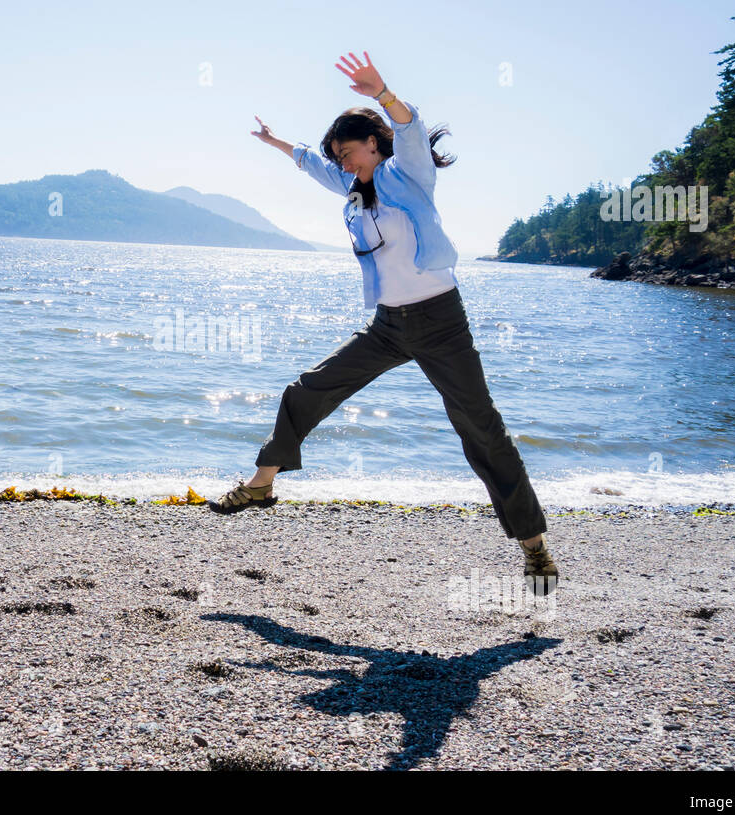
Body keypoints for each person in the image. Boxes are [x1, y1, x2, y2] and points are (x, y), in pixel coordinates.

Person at [208, 51, 558, 588]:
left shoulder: (406, 174)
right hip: (390, 326)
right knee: (305, 391)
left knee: (480, 429)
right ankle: (262, 485)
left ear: (373, 142)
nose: (343, 163)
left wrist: (382, 93)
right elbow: (311, 162)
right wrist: (278, 143)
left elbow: (410, 127)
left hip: (442, 321)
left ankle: (533, 547)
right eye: (339, 158)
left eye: (348, 152)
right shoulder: (353, 189)